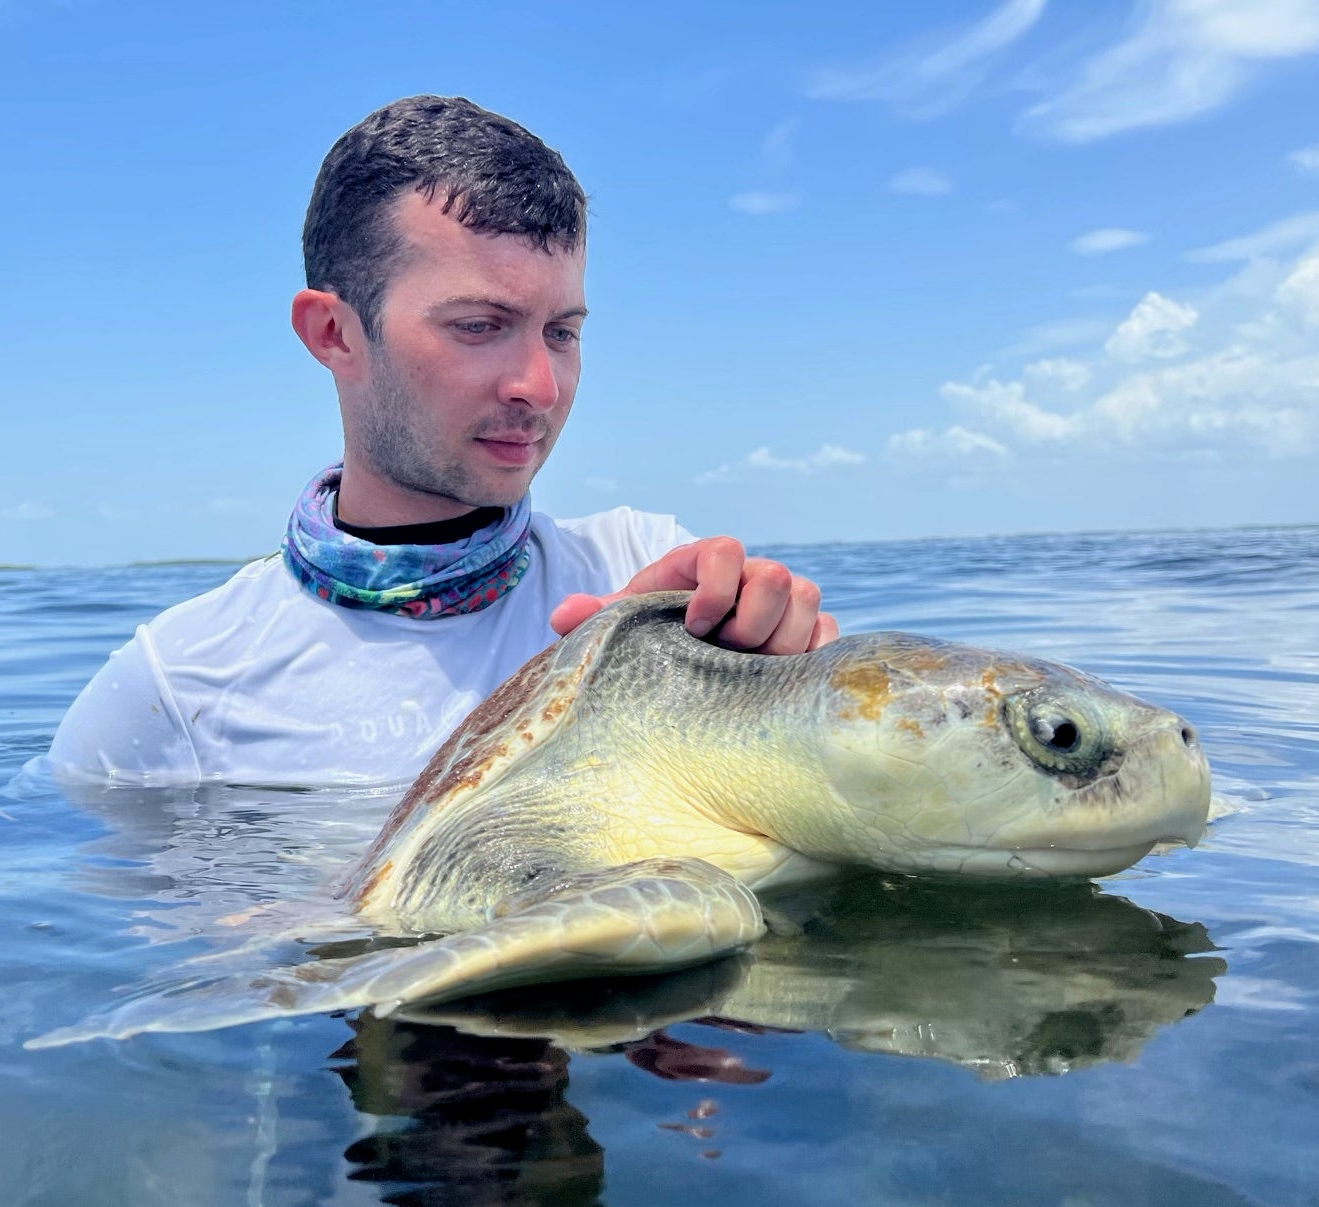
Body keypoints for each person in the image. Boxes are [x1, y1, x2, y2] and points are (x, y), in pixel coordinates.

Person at [50, 95, 834, 788]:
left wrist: (787, 688)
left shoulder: (648, 579)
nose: (541, 384)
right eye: (478, 327)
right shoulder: (178, 686)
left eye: (561, 332)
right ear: (333, 333)